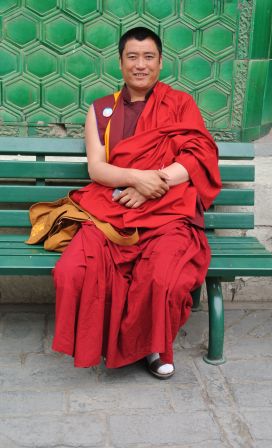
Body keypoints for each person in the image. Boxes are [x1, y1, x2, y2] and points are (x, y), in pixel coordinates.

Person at [51, 27, 222, 379]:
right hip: (113, 210)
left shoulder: (180, 104)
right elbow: (97, 168)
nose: (140, 65)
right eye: (132, 57)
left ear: (160, 64)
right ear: (120, 62)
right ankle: (102, 341)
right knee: (72, 271)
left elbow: (198, 156)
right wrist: (135, 179)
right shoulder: (101, 110)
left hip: (168, 212)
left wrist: (150, 185)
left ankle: (155, 347)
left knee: (163, 277)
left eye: (148, 57)